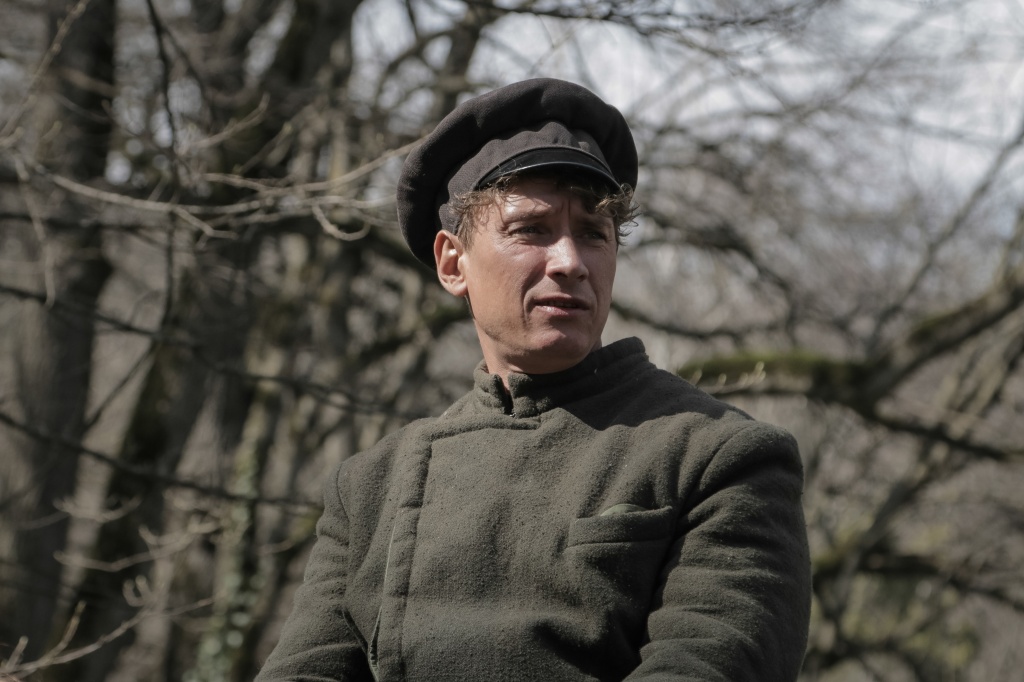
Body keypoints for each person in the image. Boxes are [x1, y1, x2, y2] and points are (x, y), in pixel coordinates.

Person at [254, 78, 811, 682]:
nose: (570, 261)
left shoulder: (719, 457)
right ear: (452, 263)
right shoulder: (369, 488)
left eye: (594, 233)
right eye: (531, 230)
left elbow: (706, 665)